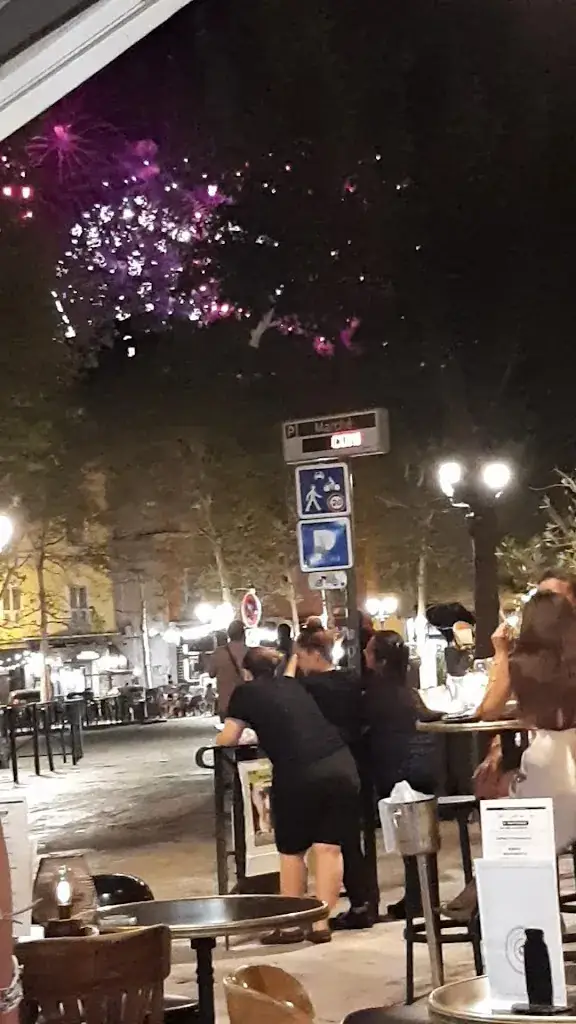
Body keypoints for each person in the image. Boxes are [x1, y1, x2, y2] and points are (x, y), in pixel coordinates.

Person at [216, 647, 360, 945]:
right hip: (341, 765)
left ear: (246, 672)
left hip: (298, 772)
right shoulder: (293, 684)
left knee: (292, 850)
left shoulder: (245, 693)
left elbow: (227, 739)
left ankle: (292, 926)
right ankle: (321, 925)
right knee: (328, 848)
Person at [293, 627, 373, 929]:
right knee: (352, 839)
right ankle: (363, 900)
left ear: (314, 655)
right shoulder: (351, 681)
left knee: (332, 841)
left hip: (325, 764)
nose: (299, 663)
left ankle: (351, 903)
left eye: (301, 656)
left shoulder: (310, 688)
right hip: (357, 763)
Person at [364, 630, 438, 920]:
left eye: (369, 651)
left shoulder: (377, 692)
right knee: (423, 837)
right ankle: (421, 896)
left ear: (379, 660)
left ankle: (418, 899)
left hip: (398, 768)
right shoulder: (407, 690)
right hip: (421, 764)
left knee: (411, 838)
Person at [207, 620, 247, 719]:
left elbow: (211, 673)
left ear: (229, 635)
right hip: (247, 702)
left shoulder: (219, 653)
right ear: (243, 634)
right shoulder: (250, 652)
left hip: (226, 702)